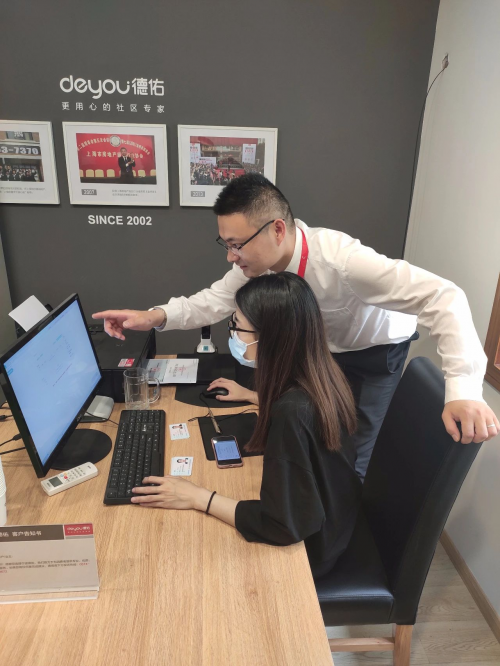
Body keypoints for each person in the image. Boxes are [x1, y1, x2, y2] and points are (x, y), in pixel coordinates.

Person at [93, 174, 499, 479]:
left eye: (237, 244)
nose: (231, 257)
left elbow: (444, 296)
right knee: (312, 432)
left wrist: (463, 390)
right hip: (323, 352)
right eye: (225, 244)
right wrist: (153, 317)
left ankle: (337, 534)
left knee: (351, 451)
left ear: (277, 229)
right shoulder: (258, 264)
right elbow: (214, 300)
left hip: (374, 353)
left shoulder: (345, 262)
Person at [131, 273, 362, 579]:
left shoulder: (291, 413)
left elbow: (282, 526)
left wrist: (198, 497)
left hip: (313, 552)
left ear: (269, 337)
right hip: (338, 519)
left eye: (237, 326)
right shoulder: (323, 376)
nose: (234, 335)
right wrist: (253, 396)